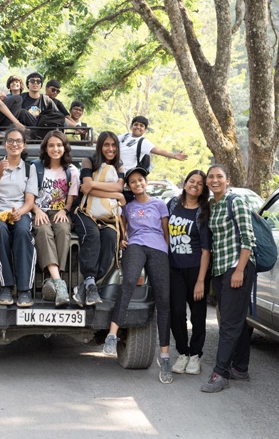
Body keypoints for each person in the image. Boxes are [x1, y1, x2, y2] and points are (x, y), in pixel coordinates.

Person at [102, 166, 173, 384]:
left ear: (146, 182)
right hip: (135, 246)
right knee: (129, 281)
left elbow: (165, 232)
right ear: (129, 186)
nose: (137, 184)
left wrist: (166, 255)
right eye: (133, 182)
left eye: (140, 180)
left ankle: (165, 356)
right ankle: (112, 335)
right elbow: (123, 229)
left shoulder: (160, 205)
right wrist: (123, 239)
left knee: (163, 299)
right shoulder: (127, 206)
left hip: (158, 249)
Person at [201, 164, 256, 393]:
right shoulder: (213, 205)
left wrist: (240, 270)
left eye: (219, 177)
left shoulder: (236, 202)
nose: (215, 180)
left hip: (237, 267)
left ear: (228, 179)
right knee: (236, 321)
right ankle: (240, 368)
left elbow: (248, 239)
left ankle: (220, 372)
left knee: (229, 324)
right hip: (221, 270)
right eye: (211, 177)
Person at [0, 127, 38, 308]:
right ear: (5, 144)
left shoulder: (30, 168)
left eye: (18, 141)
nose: (14, 144)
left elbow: (30, 200)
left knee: (22, 232)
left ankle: (24, 290)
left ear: (24, 145)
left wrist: (20, 212)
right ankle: (6, 285)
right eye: (11, 141)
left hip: (19, 211)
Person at [72, 131, 126, 306]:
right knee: (93, 234)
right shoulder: (89, 161)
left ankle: (88, 284)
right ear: (100, 146)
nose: (110, 149)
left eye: (113, 145)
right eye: (106, 145)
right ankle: (90, 282)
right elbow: (86, 190)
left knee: (110, 237)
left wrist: (94, 184)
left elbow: (118, 186)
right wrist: (115, 193)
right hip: (86, 211)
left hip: (108, 215)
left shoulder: (120, 165)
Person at [167, 170, 211, 376]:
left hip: (196, 270)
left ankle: (195, 355)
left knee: (198, 314)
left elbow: (205, 249)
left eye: (200, 183)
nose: (195, 185)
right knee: (176, 313)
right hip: (174, 269)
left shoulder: (203, 211)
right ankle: (182, 353)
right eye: (191, 181)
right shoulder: (172, 205)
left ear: (203, 189)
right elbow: (163, 231)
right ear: (185, 184)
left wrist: (201, 280)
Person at [32, 131, 80, 307]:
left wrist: (65, 211)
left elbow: (70, 198)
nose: (55, 149)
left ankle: (54, 281)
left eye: (59, 145)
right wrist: (37, 211)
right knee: (43, 230)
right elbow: (28, 195)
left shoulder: (72, 171)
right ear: (45, 148)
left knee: (63, 229)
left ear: (65, 147)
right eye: (51, 145)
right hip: (39, 210)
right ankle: (60, 284)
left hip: (60, 211)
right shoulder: (36, 167)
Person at [118, 116, 188, 171]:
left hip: (126, 173)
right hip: (115, 169)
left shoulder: (143, 142)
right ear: (131, 126)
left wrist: (174, 156)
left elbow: (158, 150)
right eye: (136, 124)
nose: (138, 127)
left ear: (145, 129)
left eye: (141, 126)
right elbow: (112, 140)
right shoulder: (125, 135)